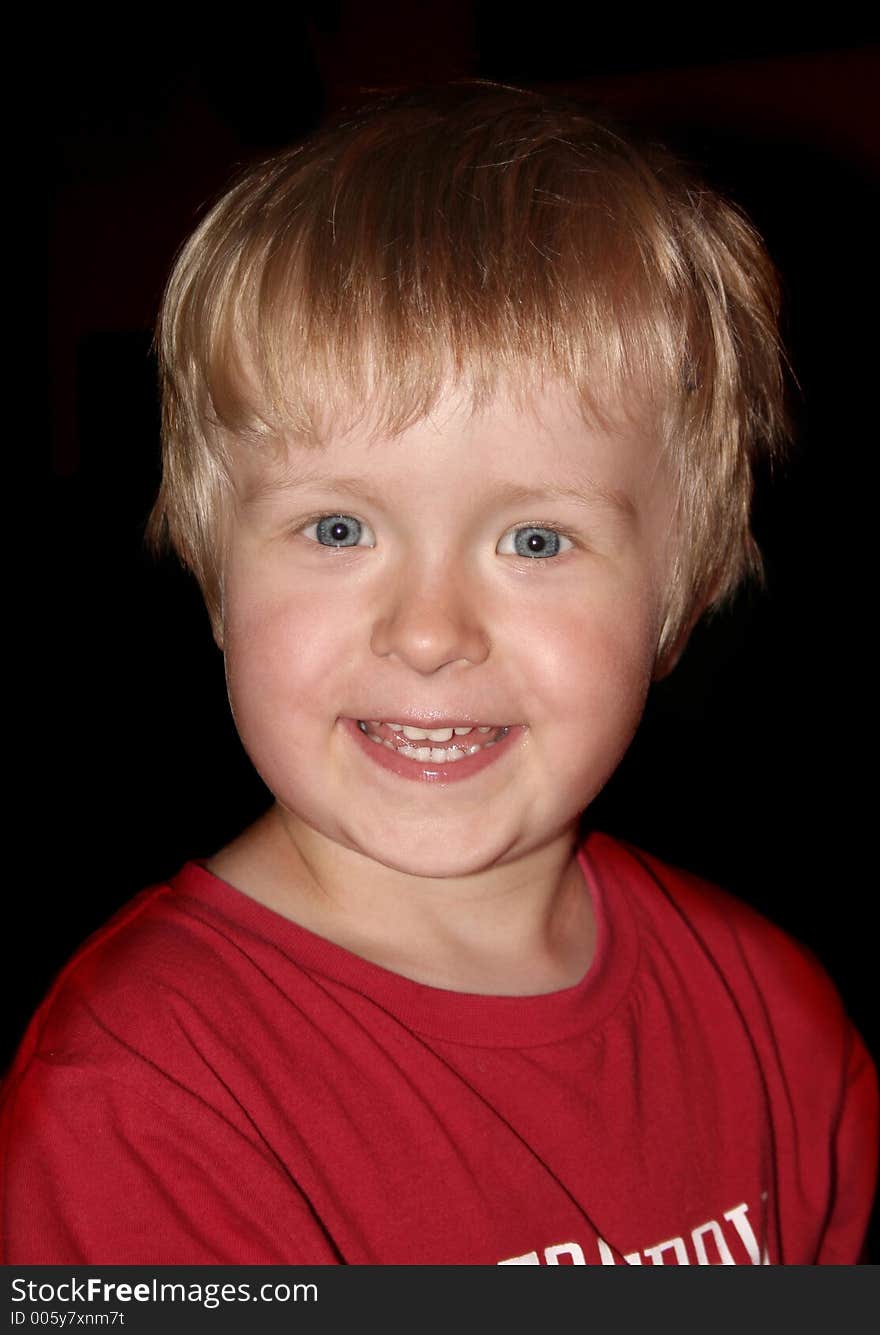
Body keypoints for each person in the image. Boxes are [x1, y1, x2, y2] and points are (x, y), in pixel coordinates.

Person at [2, 83, 876, 1265]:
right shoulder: (143, 1094)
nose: (426, 633)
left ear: (680, 598)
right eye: (337, 530)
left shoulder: (777, 1019)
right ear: (216, 571)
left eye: (535, 541)